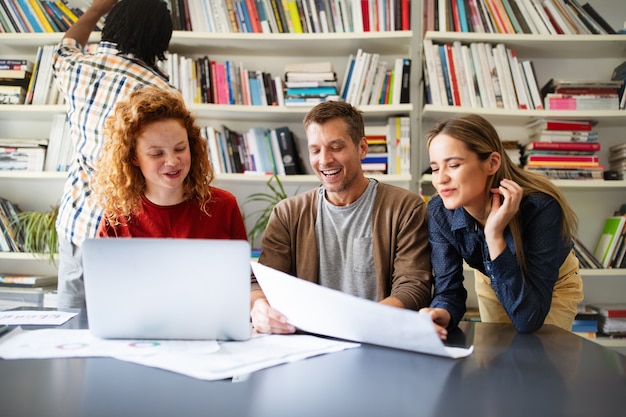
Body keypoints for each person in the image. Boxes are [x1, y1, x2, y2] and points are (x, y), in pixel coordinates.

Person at [250, 101, 432, 334]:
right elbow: (262, 282)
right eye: (315, 150)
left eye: (336, 147)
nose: (324, 160)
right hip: (306, 343)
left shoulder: (405, 208)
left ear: (362, 148)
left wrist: (361, 325)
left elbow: (413, 287)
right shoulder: (287, 213)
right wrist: (259, 307)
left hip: (376, 338)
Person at [52, 0, 176, 308]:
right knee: (129, 327)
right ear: (159, 40)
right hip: (131, 232)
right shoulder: (162, 94)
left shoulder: (78, 67)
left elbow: (67, 44)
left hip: (77, 223)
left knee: (71, 330)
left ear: (114, 25)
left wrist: (95, 9)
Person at [421, 114, 584, 338]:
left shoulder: (540, 207)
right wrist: (442, 312)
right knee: (495, 362)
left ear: (492, 163)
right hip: (493, 278)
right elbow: (449, 289)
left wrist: (494, 235)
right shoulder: (439, 212)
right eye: (435, 169)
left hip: (553, 283)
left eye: (454, 165)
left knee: (538, 359)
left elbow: (529, 318)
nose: (440, 179)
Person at [91, 86, 247, 242]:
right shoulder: (117, 218)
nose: (172, 161)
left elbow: (240, 266)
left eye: (180, 149)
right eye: (157, 153)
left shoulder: (224, 206)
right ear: (133, 157)